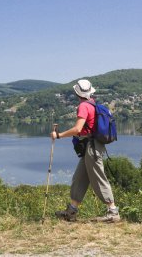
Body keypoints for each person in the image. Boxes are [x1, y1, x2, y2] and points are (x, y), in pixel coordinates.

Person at [50, 79, 120, 222]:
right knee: (79, 178)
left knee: (98, 178)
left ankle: (113, 212)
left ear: (77, 93)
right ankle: (71, 211)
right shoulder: (92, 104)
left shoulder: (83, 106)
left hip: (92, 147)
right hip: (92, 146)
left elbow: (77, 129)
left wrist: (59, 135)